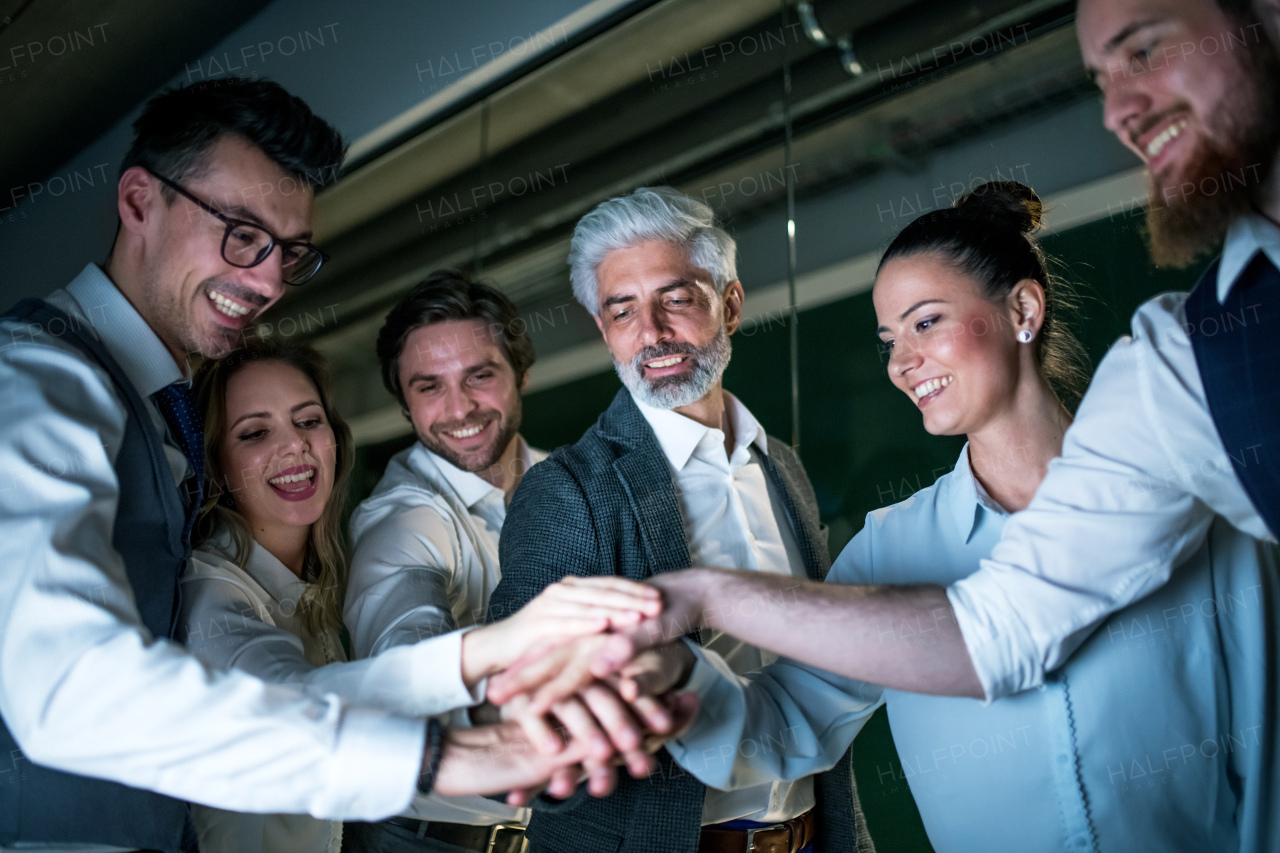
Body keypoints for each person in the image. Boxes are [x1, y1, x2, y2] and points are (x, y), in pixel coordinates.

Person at [494, 0, 1280, 847]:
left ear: (1022, 308)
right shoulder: (888, 546)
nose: (903, 361)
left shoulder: (1198, 468)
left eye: (928, 321)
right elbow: (787, 717)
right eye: (886, 339)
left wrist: (701, 597)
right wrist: (675, 675)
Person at [0, 76, 637, 853]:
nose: (268, 281)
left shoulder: (156, 411)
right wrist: (443, 752)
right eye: (241, 233)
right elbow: (65, 689)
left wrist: (480, 655)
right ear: (139, 201)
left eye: (290, 253)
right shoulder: (38, 383)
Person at [487, 187, 876, 853]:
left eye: (676, 298)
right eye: (622, 310)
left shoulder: (781, 466)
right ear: (603, 329)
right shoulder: (567, 491)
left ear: (728, 303)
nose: (653, 333)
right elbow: (520, 713)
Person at [179, 337, 664, 853]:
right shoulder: (210, 590)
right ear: (216, 463)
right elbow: (298, 701)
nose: (294, 445)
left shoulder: (313, 590)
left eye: (307, 420)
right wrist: (498, 653)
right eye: (254, 433)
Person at [341, 269, 688, 853]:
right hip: (432, 840)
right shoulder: (401, 519)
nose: (459, 408)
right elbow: (402, 663)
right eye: (428, 387)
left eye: (480, 375)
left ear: (521, 375)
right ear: (404, 405)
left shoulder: (572, 484)